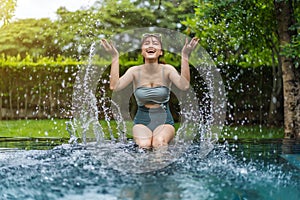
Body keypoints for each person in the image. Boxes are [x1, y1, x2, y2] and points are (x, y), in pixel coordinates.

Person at [101, 33, 199, 149]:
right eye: (146, 43)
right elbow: (114, 86)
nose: (151, 45)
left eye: (155, 43)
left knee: (159, 142)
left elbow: (184, 85)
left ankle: (162, 166)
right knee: (144, 144)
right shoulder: (134, 71)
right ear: (142, 51)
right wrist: (115, 57)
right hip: (141, 122)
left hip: (165, 122)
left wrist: (185, 55)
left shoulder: (167, 70)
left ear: (161, 52)